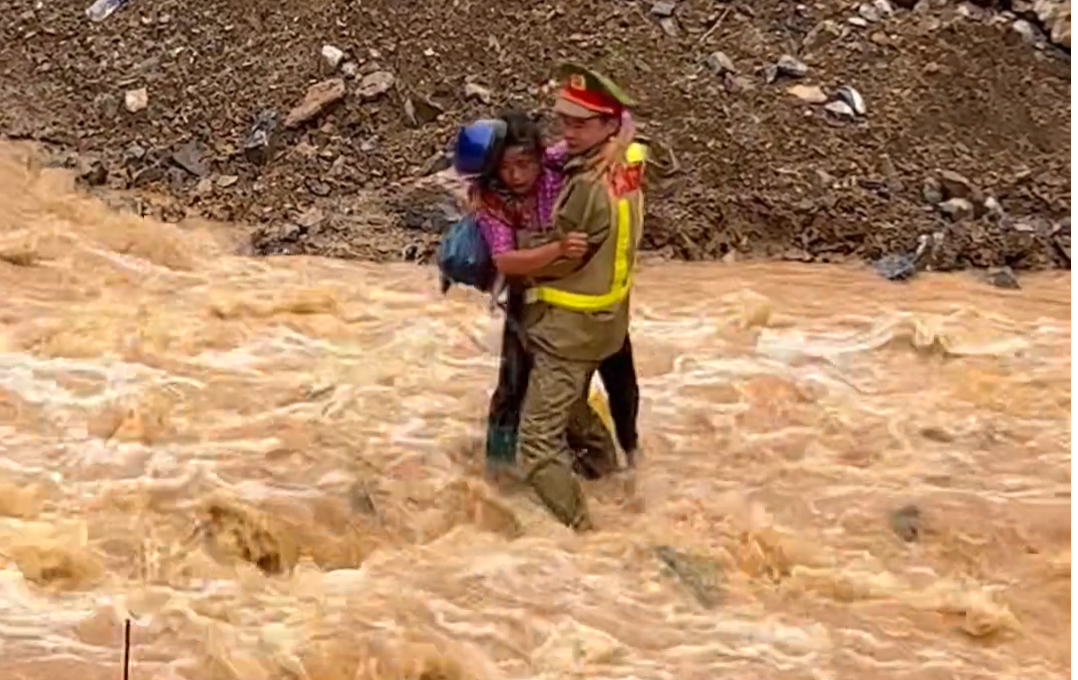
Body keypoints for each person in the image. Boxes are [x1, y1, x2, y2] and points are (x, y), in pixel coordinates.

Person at [455, 112, 641, 480]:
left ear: (540, 157)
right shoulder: (492, 202)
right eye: (506, 168)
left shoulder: (556, 160)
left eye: (525, 164)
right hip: (531, 301)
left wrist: (616, 145)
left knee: (619, 379)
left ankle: (627, 455)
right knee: (514, 386)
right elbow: (506, 261)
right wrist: (556, 249)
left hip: (588, 299)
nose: (518, 176)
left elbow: (622, 117)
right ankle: (502, 476)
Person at [512, 63, 647, 530]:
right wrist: (623, 129)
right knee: (569, 403)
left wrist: (510, 259)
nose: (566, 131)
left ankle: (587, 536)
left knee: (535, 444)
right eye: (564, 119)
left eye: (580, 123)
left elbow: (562, 257)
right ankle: (608, 475)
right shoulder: (628, 157)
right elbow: (635, 135)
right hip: (608, 323)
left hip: (570, 327)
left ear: (607, 125)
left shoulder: (588, 187)